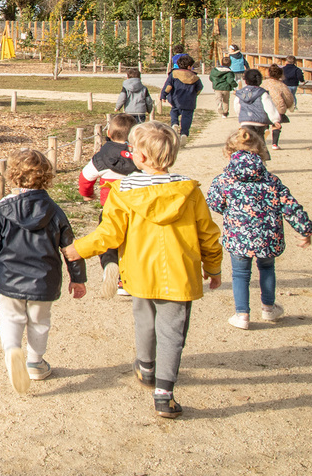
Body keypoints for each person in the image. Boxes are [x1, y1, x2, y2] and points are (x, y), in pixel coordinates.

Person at [65, 121, 223, 420]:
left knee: (144, 321)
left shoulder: (123, 192)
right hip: (179, 274)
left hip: (139, 272)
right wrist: (213, 267)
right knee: (172, 332)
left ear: (141, 157)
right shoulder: (189, 192)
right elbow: (208, 234)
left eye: (133, 149)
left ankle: (146, 367)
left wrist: (79, 249)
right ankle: (164, 394)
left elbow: (109, 234)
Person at [0, 148, 87, 393]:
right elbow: (70, 248)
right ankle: (35, 362)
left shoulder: (2, 211)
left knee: (10, 317)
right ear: (46, 177)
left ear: (12, 175)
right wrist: (77, 278)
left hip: (11, 279)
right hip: (44, 279)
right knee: (39, 321)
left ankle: (12, 351)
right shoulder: (54, 211)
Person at [207, 127, 312, 330]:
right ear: (260, 152)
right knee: (266, 268)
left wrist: (231, 212)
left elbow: (213, 203)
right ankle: (268, 307)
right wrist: (305, 229)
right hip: (268, 236)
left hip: (239, 236)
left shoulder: (223, 181)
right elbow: (290, 206)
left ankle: (242, 314)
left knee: (240, 274)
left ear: (229, 153)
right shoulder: (272, 181)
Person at [76, 113, 139, 297]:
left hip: (110, 208)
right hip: (136, 209)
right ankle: (127, 280)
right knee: (132, 242)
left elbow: (85, 177)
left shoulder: (102, 156)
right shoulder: (141, 155)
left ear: (109, 133)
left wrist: (87, 193)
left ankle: (110, 265)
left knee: (108, 239)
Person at [235, 69, 282, 149]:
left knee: (247, 143)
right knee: (260, 143)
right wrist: (275, 119)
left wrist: (240, 115)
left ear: (245, 80)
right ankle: (262, 156)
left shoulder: (240, 93)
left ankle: (249, 155)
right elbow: (269, 107)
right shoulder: (262, 93)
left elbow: (237, 105)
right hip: (260, 122)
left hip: (245, 122)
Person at [160, 55, 202, 138]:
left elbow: (168, 86)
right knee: (187, 116)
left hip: (176, 100)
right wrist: (195, 94)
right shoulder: (195, 77)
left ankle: (174, 123)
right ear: (189, 67)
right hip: (189, 101)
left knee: (174, 111)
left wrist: (163, 95)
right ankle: (184, 133)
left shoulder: (174, 74)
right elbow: (199, 88)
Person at [263, 65, 295, 149]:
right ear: (280, 75)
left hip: (264, 106)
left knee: (265, 120)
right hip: (278, 107)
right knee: (276, 124)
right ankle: (274, 144)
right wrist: (288, 105)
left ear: (268, 73)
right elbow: (288, 97)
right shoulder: (282, 85)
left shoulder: (263, 83)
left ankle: (265, 129)